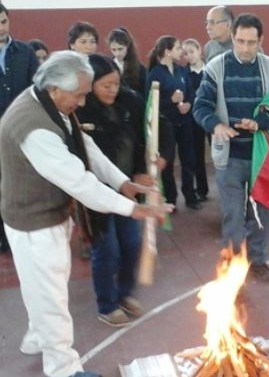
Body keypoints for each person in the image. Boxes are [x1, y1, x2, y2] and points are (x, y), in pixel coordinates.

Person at [0, 50, 171, 377]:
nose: (81, 103)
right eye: (78, 95)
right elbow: (80, 183)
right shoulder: (34, 127)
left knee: (45, 285)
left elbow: (84, 145)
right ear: (54, 89)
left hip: (48, 215)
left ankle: (37, 336)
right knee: (51, 296)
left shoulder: (48, 101)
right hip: (33, 223)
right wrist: (134, 209)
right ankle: (63, 368)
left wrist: (122, 183)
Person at [193, 13, 269, 282]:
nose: (244, 48)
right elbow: (201, 106)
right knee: (232, 213)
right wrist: (216, 126)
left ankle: (258, 260)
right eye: (240, 41)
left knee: (261, 211)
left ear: (261, 41)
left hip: (260, 154)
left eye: (251, 42)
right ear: (232, 38)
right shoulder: (215, 67)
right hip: (229, 156)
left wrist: (259, 123)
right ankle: (233, 265)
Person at [75, 54, 150, 327]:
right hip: (94, 194)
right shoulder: (80, 111)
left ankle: (126, 293)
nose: (112, 90)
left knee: (131, 244)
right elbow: (89, 157)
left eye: (116, 84)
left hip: (126, 188)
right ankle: (107, 304)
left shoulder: (130, 102)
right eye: (105, 85)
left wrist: (143, 170)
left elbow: (145, 138)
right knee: (107, 250)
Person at [0, 4, 40, 253]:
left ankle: (22, 233)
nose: (0, 28)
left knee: (22, 183)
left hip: (21, 130)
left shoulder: (25, 52)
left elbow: (35, 90)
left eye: (3, 21)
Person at [148, 35, 201, 210]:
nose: (182, 52)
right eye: (178, 48)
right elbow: (150, 103)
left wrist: (189, 104)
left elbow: (191, 92)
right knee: (168, 163)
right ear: (167, 51)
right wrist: (169, 100)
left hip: (184, 121)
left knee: (189, 159)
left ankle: (190, 196)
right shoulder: (155, 74)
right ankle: (170, 198)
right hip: (166, 123)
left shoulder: (181, 70)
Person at [183, 38, 210, 202]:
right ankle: (202, 189)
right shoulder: (184, 73)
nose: (189, 56)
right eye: (185, 53)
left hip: (213, 117)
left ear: (199, 50)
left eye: (192, 51)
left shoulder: (211, 70)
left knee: (220, 152)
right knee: (197, 153)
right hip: (194, 118)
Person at [107, 27, 148, 97]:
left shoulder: (140, 69)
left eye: (120, 49)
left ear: (127, 47)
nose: (117, 53)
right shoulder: (107, 65)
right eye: (113, 50)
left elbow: (144, 93)